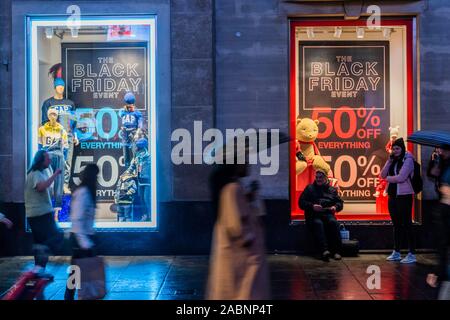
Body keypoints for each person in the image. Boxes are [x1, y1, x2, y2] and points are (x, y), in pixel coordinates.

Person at [206, 161, 270, 300]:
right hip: (241, 260)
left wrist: (248, 196)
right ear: (235, 164)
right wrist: (250, 241)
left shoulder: (234, 188)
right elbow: (235, 225)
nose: (248, 164)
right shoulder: (233, 189)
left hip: (238, 258)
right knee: (243, 293)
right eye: (245, 160)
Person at [64, 163, 100, 300]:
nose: (98, 178)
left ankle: (72, 297)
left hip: (83, 238)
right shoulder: (83, 192)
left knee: (77, 274)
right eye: (96, 175)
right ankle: (70, 298)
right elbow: (77, 218)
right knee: (76, 274)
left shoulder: (86, 191)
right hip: (80, 240)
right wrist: (84, 242)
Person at [24, 150, 63, 273]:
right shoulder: (35, 174)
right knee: (53, 237)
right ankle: (39, 266)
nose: (50, 160)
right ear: (41, 160)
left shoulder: (39, 173)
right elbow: (41, 187)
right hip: (40, 214)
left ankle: (39, 269)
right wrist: (55, 174)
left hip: (39, 214)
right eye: (47, 158)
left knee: (41, 241)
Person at [380, 137, 417, 263]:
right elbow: (382, 175)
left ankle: (412, 253)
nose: (395, 151)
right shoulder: (393, 160)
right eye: (393, 149)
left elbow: (401, 178)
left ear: (402, 149)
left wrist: (388, 179)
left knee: (407, 224)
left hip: (405, 196)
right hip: (393, 196)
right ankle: (397, 252)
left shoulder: (408, 160)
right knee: (396, 224)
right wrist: (389, 161)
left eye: (397, 148)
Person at [41, 76, 78, 195]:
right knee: (53, 161)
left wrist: (75, 136)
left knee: (67, 161)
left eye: (62, 86)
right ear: (55, 87)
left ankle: (65, 185)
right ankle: (52, 185)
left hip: (68, 136)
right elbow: (44, 122)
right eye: (58, 86)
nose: (61, 88)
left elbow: (74, 122)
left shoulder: (70, 104)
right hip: (53, 137)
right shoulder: (48, 103)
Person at [299, 169, 344, 261]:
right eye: (317, 177)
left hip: (327, 214)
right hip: (313, 215)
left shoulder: (332, 190)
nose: (318, 179)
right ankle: (324, 251)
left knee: (333, 223)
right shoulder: (309, 188)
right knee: (318, 224)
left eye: (321, 177)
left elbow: (340, 203)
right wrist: (312, 206)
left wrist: (335, 207)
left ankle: (336, 252)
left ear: (326, 178)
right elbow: (301, 202)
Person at [426, 146, 450, 299]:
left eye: (442, 150)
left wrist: (437, 272)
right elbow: (432, 174)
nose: (440, 152)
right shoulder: (442, 163)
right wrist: (434, 161)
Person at [38, 108, 68, 205]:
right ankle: (47, 204)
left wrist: (64, 160)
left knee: (59, 182)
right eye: (51, 114)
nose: (53, 116)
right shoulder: (42, 129)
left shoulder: (62, 130)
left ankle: (57, 209)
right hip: (47, 155)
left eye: (55, 114)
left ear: (57, 116)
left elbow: (66, 147)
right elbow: (39, 145)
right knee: (47, 180)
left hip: (59, 155)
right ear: (48, 116)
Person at [124, 138, 151, 221]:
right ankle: (145, 215)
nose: (135, 148)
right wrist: (125, 175)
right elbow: (132, 167)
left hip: (148, 182)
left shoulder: (149, 157)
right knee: (142, 199)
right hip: (140, 182)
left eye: (137, 146)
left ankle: (150, 215)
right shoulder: (137, 157)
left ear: (140, 147)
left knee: (147, 199)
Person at [119, 92, 144, 167]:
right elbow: (120, 114)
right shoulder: (123, 111)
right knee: (126, 156)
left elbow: (140, 125)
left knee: (135, 155)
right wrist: (126, 109)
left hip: (133, 134)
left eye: (131, 105)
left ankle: (136, 171)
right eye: (128, 104)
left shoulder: (137, 112)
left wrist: (137, 133)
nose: (129, 107)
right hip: (125, 135)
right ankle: (128, 171)